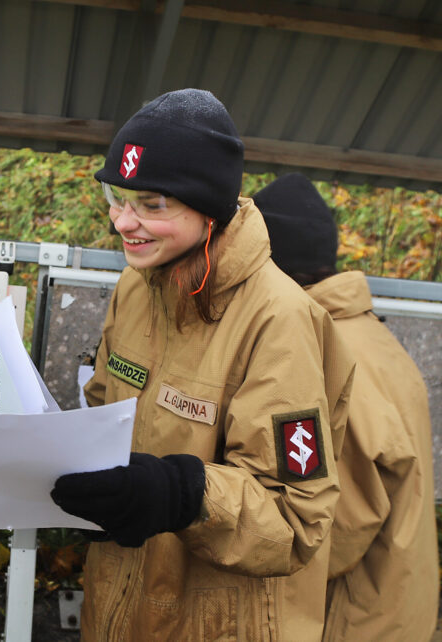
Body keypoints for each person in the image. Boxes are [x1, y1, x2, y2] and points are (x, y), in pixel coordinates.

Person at [49, 89, 354, 640]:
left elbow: (297, 521)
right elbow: (103, 407)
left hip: (212, 620)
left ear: (209, 210)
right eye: (117, 198)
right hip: (118, 603)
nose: (123, 222)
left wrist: (181, 496)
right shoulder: (136, 287)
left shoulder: (279, 319)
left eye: (152, 205)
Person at [253, 173, 439, 641]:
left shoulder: (326, 354)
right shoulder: (370, 335)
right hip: (390, 602)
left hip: (349, 617)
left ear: (274, 266)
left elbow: (339, 526)